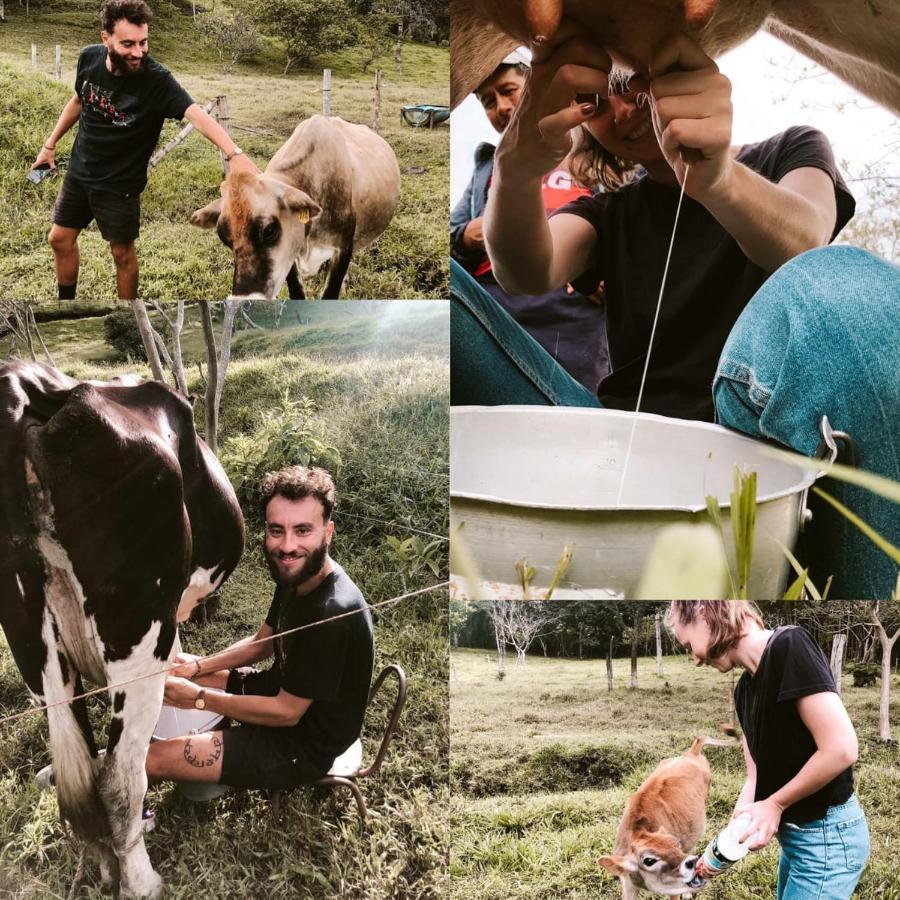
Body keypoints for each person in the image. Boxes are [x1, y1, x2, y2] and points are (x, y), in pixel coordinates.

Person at [462, 29, 855, 421]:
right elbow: (526, 272)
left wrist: (719, 182)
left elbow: (807, 242)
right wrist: (514, 173)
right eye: (594, 105)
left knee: (873, 281)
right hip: (620, 432)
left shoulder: (790, 149)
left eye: (627, 81)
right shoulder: (607, 212)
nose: (621, 112)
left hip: (757, 424)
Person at [147, 466, 374, 791]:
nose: (287, 546)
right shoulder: (295, 575)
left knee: (153, 759)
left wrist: (198, 698)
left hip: (302, 745)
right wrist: (197, 668)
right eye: (277, 530)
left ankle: (104, 781)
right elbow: (261, 644)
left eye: (303, 530)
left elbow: (286, 713)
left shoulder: (332, 612)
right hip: (280, 692)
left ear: (328, 532)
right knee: (176, 670)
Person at [30, 0, 259, 301]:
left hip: (119, 185)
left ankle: (129, 313)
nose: (138, 52)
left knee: (121, 253)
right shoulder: (89, 58)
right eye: (128, 44)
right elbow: (78, 100)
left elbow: (196, 114)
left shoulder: (156, 80)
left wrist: (235, 154)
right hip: (79, 173)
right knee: (59, 239)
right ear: (106, 39)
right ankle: (65, 304)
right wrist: (49, 145)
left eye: (143, 42)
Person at [665, 601, 869, 899]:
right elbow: (754, 777)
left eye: (687, 645)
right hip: (798, 839)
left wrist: (774, 805)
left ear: (703, 614)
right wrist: (734, 833)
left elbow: (841, 749)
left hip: (828, 840)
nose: (695, 660)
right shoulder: (744, 690)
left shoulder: (789, 645)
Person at [451, 52, 610, 394]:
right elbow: (451, 238)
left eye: (509, 90)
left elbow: (633, 224)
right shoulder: (487, 168)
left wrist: (608, 268)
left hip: (569, 314)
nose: (502, 107)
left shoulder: (595, 158)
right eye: (488, 101)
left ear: (539, 87)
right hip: (491, 307)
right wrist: (469, 235)